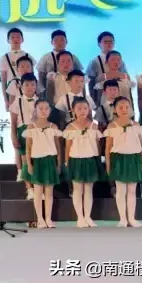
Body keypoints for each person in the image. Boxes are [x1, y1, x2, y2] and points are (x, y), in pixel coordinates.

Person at [104, 96, 142, 228]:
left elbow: (141, 145)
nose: (124, 109)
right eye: (121, 107)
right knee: (121, 190)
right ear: (115, 110)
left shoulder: (136, 125)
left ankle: (132, 218)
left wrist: (141, 161)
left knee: (132, 190)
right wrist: (108, 164)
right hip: (119, 159)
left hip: (134, 159)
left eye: (127, 107)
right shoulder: (112, 126)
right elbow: (108, 148)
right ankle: (123, 219)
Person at [63, 98, 104, 228]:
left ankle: (87, 216)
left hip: (90, 159)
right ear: (73, 110)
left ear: (89, 109)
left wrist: (98, 160)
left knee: (88, 189)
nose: (82, 111)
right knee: (77, 189)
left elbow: (97, 145)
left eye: (85, 108)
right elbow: (67, 147)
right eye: (79, 108)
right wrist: (67, 162)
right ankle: (80, 217)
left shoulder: (94, 126)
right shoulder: (70, 127)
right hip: (76, 160)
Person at [22, 99, 62, 228]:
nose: (44, 111)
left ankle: (48, 219)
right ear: (35, 110)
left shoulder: (53, 127)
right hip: (37, 161)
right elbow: (28, 148)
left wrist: (58, 164)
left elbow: (58, 147)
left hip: (50, 161)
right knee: (38, 192)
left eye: (46, 108)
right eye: (41, 108)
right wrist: (29, 164)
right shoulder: (31, 127)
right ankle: (40, 219)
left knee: (49, 192)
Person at [9, 73, 39, 198]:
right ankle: (29, 189)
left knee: (37, 161)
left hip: (37, 132)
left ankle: (38, 188)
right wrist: (13, 136)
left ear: (36, 86)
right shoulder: (17, 101)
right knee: (26, 162)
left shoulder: (40, 101)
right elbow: (13, 122)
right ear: (21, 86)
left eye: (32, 84)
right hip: (22, 131)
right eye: (26, 85)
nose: (30, 87)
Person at [0, 28, 37, 112]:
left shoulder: (28, 56)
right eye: (12, 37)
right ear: (8, 40)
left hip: (28, 90)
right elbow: (3, 81)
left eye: (18, 37)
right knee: (14, 116)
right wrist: (6, 101)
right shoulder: (5, 57)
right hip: (12, 90)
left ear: (22, 40)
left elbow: (32, 77)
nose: (15, 39)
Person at [85, 31, 128, 106]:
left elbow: (126, 82)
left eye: (111, 41)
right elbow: (91, 85)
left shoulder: (121, 62)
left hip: (121, 102)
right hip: (102, 102)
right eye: (105, 42)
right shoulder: (94, 62)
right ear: (99, 44)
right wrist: (95, 105)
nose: (109, 44)